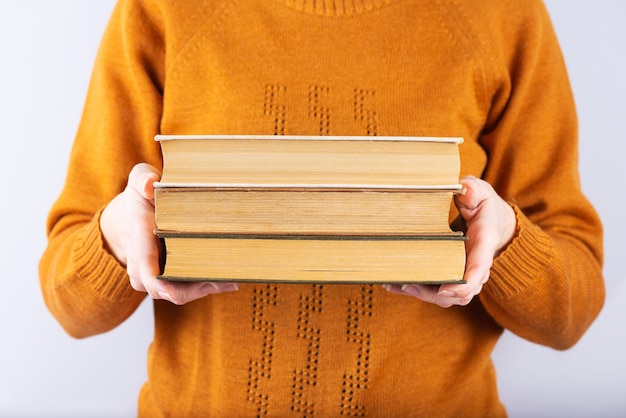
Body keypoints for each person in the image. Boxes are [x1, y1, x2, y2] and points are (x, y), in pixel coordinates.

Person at [39, 0, 605, 416]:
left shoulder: (502, 14)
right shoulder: (162, 10)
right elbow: (70, 304)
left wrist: (505, 243)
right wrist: (113, 238)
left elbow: (571, 316)